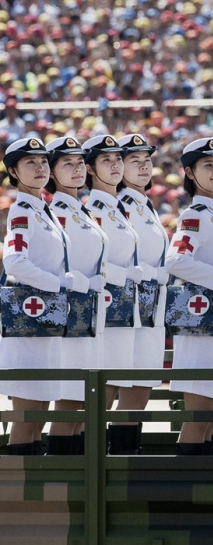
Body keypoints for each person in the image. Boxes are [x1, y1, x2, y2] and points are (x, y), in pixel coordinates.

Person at [0, 138, 90, 455]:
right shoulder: (23, 211)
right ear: (13, 170)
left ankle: (37, 495)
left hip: (46, 321)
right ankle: (17, 496)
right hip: (28, 322)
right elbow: (14, 261)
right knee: (27, 417)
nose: (39, 168)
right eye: (30, 163)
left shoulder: (43, 210)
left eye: (43, 163)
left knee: (39, 413)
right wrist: (58, 283)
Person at [165, 137, 213, 455]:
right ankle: (183, 489)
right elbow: (176, 261)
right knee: (200, 418)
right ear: (191, 173)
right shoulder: (196, 215)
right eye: (208, 165)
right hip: (202, 323)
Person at [82, 135, 149, 453]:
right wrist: (126, 275)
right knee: (105, 387)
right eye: (107, 160)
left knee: (137, 387)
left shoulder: (124, 207)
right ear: (90, 168)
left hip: (137, 308)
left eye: (118, 160)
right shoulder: (94, 208)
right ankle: (94, 461)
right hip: (110, 309)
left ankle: (124, 459)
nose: (116, 166)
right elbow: (87, 261)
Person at [45, 136, 107, 455]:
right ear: (51, 173)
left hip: (89, 311)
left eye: (80, 162)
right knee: (70, 396)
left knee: (83, 397)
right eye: (66, 164)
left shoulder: (81, 210)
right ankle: (60, 473)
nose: (77, 169)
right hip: (69, 311)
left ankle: (79, 468)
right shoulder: (55, 211)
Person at [114, 133, 169, 455]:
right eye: (135, 161)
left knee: (142, 382)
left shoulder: (142, 203)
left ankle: (127, 451)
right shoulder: (116, 205)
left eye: (147, 161)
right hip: (123, 307)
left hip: (149, 307)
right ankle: (112, 455)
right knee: (115, 383)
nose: (145, 166)